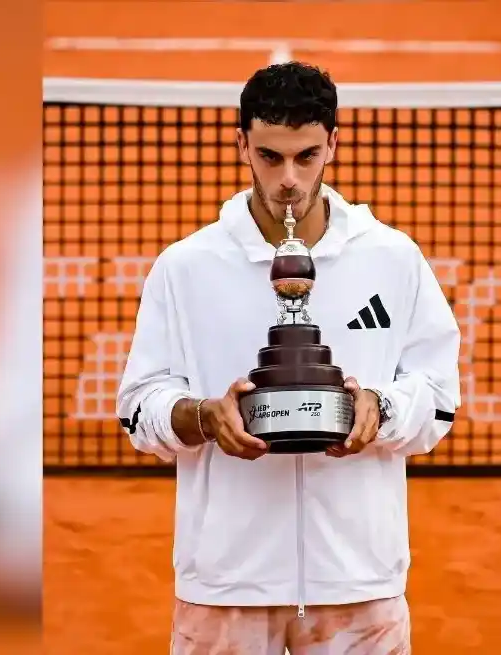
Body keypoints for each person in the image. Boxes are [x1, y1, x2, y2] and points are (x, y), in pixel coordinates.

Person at [117, 61, 461, 655]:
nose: (289, 179)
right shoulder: (185, 266)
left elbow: (438, 398)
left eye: (306, 156)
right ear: (242, 145)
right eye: (270, 156)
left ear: (332, 143)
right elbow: (137, 406)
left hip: (360, 581)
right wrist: (202, 417)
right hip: (225, 585)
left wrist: (381, 407)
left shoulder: (394, 259)